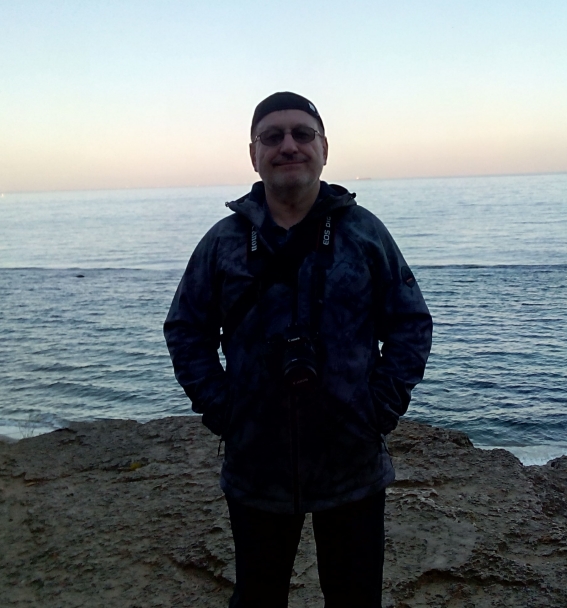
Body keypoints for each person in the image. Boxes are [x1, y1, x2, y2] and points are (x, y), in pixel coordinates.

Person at [164, 91, 432, 608]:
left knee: (355, 600)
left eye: (302, 134)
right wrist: (222, 408)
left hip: (352, 465)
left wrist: (380, 407)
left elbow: (411, 323)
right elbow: (185, 329)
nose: (288, 145)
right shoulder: (223, 242)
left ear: (324, 148)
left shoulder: (364, 233)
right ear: (254, 154)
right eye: (272, 136)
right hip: (256, 469)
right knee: (258, 598)